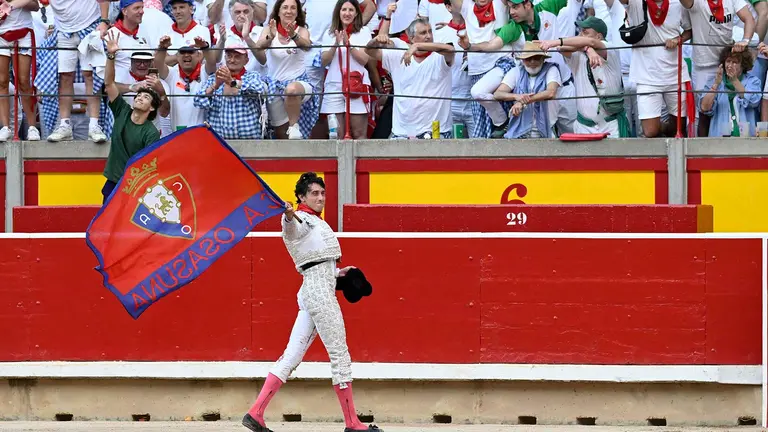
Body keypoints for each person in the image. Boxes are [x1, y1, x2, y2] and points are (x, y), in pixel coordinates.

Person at [242, 172, 380, 432]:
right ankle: (352, 423)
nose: (320, 198)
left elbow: (317, 264)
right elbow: (292, 229)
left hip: (313, 288)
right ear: (301, 197)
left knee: (291, 356)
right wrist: (288, 214)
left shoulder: (316, 222)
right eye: (314, 193)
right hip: (319, 293)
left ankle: (256, 412)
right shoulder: (301, 219)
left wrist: (340, 274)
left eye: (322, 193)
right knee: (339, 353)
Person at [100, 32, 161, 203]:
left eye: (146, 97)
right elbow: (109, 84)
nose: (140, 97)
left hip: (136, 186)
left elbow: (148, 166)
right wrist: (111, 55)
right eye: (139, 95)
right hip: (113, 182)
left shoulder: (151, 133)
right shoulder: (122, 111)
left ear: (152, 108)